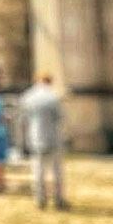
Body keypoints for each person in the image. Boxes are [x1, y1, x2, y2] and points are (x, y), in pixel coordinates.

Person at [20, 71, 67, 210]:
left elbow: (23, 119)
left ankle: (40, 199)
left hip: (35, 137)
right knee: (56, 170)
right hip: (52, 137)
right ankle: (59, 199)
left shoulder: (27, 97)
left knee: (38, 170)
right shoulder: (53, 97)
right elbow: (59, 117)